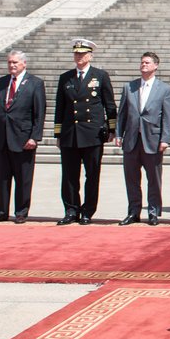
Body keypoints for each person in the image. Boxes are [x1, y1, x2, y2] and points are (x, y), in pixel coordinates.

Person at [53, 38, 116, 225]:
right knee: (69, 175)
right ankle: (71, 210)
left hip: (92, 133)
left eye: (82, 53)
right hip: (70, 133)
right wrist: (58, 133)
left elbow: (110, 105)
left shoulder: (100, 76)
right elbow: (60, 107)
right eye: (76, 53)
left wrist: (111, 128)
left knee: (92, 174)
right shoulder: (66, 78)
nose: (78, 56)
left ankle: (88, 211)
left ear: (90, 56)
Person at [0, 50, 45, 224]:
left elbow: (39, 113)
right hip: (2, 137)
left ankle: (21, 211)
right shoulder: (1, 82)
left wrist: (35, 136)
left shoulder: (35, 83)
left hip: (23, 138)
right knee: (2, 177)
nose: (12, 65)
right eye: (10, 62)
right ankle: (1, 211)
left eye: (15, 62)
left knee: (23, 178)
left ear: (24, 64)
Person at [116, 51, 170, 226]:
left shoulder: (164, 89)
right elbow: (122, 113)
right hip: (132, 140)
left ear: (156, 66)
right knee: (132, 178)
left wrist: (165, 139)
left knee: (154, 179)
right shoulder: (130, 87)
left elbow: (167, 116)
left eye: (147, 63)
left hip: (153, 140)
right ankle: (133, 211)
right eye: (142, 62)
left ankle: (153, 211)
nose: (144, 65)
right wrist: (119, 134)